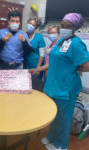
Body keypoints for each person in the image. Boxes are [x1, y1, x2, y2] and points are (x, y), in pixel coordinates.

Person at [41, 13, 89, 150]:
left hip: (65, 87)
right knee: (54, 115)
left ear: (75, 28)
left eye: (68, 26)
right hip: (54, 85)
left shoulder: (76, 43)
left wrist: (73, 68)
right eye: (63, 25)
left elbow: (87, 64)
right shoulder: (61, 41)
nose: (64, 28)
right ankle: (51, 136)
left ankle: (60, 145)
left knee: (63, 118)